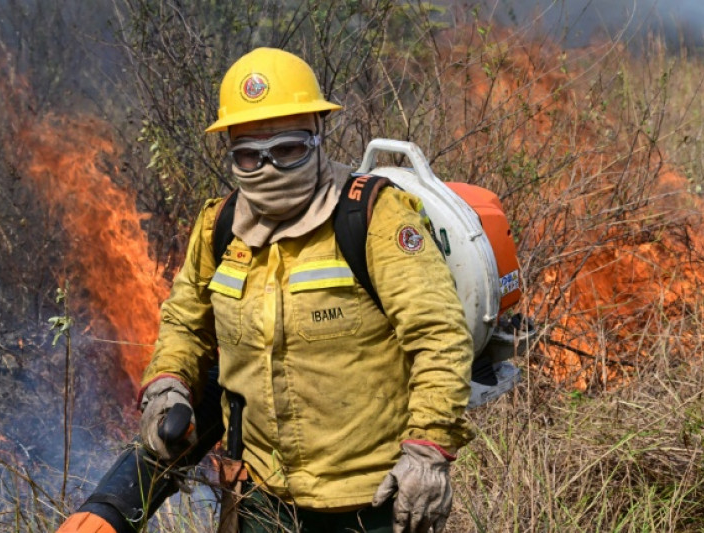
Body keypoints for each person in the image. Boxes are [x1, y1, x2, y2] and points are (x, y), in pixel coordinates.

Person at [138, 47, 475, 533]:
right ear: (229, 149)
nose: (268, 167)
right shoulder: (219, 228)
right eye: (249, 155)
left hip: (373, 503)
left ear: (319, 133)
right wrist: (167, 384)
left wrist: (427, 452)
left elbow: (439, 335)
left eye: (288, 148)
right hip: (259, 500)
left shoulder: (373, 218)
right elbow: (184, 323)